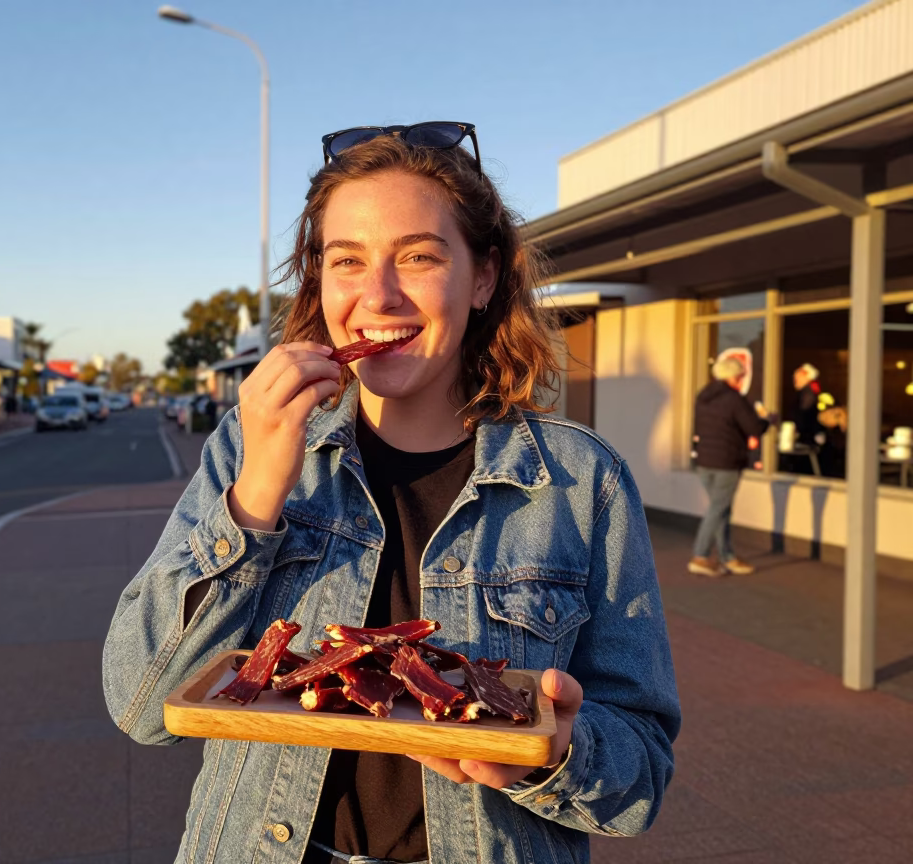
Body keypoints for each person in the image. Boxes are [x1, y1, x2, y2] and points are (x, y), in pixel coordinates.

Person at [103, 126, 680, 864]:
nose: (377, 294)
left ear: (482, 279)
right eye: (346, 260)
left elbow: (642, 776)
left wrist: (555, 752)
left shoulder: (580, 482)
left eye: (417, 256)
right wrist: (256, 494)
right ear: (319, 283)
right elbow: (142, 705)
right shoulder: (248, 449)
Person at [689, 357, 769, 577]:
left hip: (704, 461)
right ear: (733, 377)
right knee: (717, 510)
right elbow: (753, 427)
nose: (742, 380)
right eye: (740, 376)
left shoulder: (703, 396)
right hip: (726, 462)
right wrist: (767, 420)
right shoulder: (734, 399)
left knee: (720, 509)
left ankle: (727, 556)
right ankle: (701, 556)